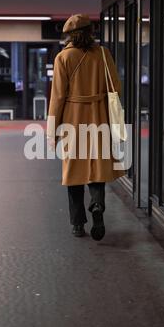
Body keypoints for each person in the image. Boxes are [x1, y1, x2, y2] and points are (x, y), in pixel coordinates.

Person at [47, 13, 125, 240]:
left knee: (74, 173)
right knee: (97, 169)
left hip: (73, 118)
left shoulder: (63, 57)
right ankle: (97, 204)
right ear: (91, 32)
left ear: (69, 35)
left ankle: (77, 224)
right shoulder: (103, 53)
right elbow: (116, 88)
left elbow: (58, 97)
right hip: (99, 116)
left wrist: (52, 131)